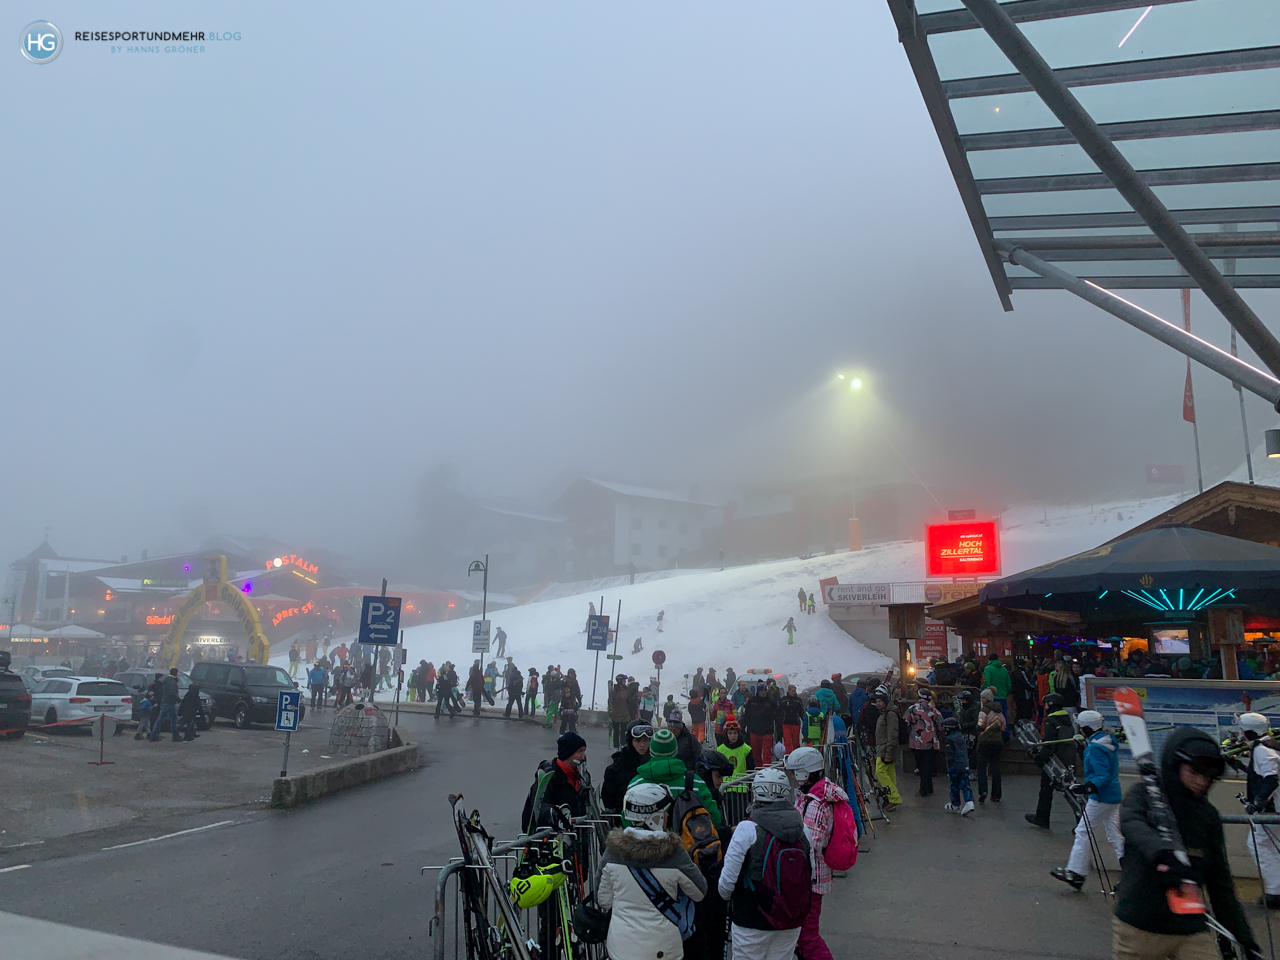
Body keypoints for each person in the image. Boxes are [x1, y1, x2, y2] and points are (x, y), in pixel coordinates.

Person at [1113, 727, 1259, 960]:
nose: (1202, 782)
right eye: (1194, 773)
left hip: (1190, 928)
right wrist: (1162, 853)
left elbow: (1220, 883)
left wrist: (1244, 938)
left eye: (1209, 777)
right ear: (1176, 764)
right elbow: (1131, 823)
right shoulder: (1144, 795)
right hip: (1139, 927)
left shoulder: (1207, 816)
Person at [597, 782, 707, 960]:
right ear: (654, 818)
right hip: (663, 948)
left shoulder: (613, 852)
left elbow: (603, 899)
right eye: (664, 813)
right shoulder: (674, 853)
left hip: (621, 947)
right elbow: (699, 892)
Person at [717, 769, 811, 960]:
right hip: (790, 918)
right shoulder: (802, 828)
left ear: (754, 793)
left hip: (751, 918)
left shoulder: (747, 828)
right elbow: (810, 874)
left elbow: (726, 884)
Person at [787, 746, 849, 960]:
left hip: (810, 878)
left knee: (807, 936)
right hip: (816, 875)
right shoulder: (818, 796)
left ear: (805, 773)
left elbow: (809, 842)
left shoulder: (816, 803)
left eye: (795, 773)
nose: (793, 778)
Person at [1051, 710, 1123, 890]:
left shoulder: (1096, 747)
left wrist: (1085, 788)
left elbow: (1101, 775)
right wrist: (1082, 748)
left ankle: (1075, 872)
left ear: (1087, 728)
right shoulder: (1104, 742)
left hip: (1101, 797)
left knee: (1083, 831)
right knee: (1115, 836)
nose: (1080, 730)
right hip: (1111, 795)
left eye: (1081, 727)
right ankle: (1132, 872)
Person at [628, 728, 722, 828]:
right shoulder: (695, 782)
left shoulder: (636, 783)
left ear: (651, 751)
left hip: (647, 842)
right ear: (675, 751)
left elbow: (627, 820)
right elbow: (714, 818)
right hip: (687, 842)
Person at [1237, 712, 1280, 907]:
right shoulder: (1270, 745)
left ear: (1249, 731)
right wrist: (1239, 766)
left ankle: (1275, 892)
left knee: (1258, 845)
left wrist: (1258, 804)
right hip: (1274, 809)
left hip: (1271, 811)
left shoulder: (1263, 750)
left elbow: (1271, 779)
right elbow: (1261, 774)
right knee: (1271, 847)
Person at [1026, 692, 1076, 829]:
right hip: (1067, 757)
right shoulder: (1066, 718)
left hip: (1054, 761)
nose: (1045, 706)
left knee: (1046, 790)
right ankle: (1081, 820)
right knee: (1070, 791)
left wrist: (1040, 760)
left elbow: (1049, 743)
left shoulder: (1051, 720)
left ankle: (1042, 818)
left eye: (1047, 703)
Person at [524, 732, 593, 831]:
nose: (583, 755)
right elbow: (539, 807)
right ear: (568, 753)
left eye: (584, 751)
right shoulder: (549, 776)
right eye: (580, 751)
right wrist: (555, 815)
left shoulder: (582, 776)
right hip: (553, 838)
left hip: (578, 835)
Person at [603, 722, 654, 813]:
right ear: (630, 742)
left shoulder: (654, 764)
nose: (642, 745)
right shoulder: (616, 769)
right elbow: (608, 801)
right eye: (638, 741)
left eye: (646, 740)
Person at [904, 688, 942, 796]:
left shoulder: (912, 709)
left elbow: (905, 721)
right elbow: (941, 725)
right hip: (931, 741)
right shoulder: (934, 710)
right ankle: (928, 786)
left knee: (920, 764)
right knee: (928, 765)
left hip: (916, 741)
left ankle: (924, 788)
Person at [872, 692, 902, 808]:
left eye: (880, 701)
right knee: (890, 774)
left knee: (880, 772)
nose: (878, 704)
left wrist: (889, 750)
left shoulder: (890, 714)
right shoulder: (884, 713)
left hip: (885, 749)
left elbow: (892, 733)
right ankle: (891, 798)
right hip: (882, 748)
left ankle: (894, 797)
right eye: (877, 702)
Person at [976, 689, 1005, 803]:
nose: (982, 700)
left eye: (983, 698)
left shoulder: (984, 711)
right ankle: (996, 795)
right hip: (997, 742)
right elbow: (1003, 727)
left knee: (982, 768)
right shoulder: (1000, 712)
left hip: (985, 742)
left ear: (987, 699)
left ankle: (983, 791)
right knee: (996, 769)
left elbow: (980, 725)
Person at [941, 716, 974, 815]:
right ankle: (969, 802)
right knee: (965, 784)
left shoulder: (949, 740)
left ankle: (955, 805)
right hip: (964, 764)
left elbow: (950, 755)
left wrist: (949, 768)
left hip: (954, 766)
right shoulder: (960, 737)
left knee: (954, 785)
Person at [743, 682, 776, 768]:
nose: (763, 692)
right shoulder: (752, 701)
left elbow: (777, 716)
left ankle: (766, 771)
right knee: (755, 754)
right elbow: (746, 715)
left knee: (767, 754)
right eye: (761, 690)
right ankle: (757, 771)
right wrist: (743, 727)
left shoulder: (771, 701)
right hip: (754, 731)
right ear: (758, 691)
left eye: (765, 690)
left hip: (767, 732)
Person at [149, 669, 181, 742]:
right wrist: (178, 699)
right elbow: (172, 693)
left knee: (160, 719)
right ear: (176, 674)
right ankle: (175, 736)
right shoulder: (172, 682)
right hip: (170, 703)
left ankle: (154, 735)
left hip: (164, 702)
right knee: (173, 720)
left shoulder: (166, 681)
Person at [982, 654, 1011, 726]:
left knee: (992, 718)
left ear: (989, 659)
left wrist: (982, 689)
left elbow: (986, 682)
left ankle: (995, 735)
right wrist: (1007, 693)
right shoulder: (1004, 670)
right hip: (1003, 697)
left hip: (992, 697)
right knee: (1003, 717)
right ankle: (1005, 733)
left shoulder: (988, 668)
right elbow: (1009, 684)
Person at [778, 685, 804, 754]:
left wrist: (803, 720)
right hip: (786, 723)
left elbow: (801, 711)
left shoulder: (798, 700)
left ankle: (796, 755)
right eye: (792, 691)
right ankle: (788, 756)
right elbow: (779, 710)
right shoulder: (784, 699)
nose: (793, 693)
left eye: (794, 691)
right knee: (787, 741)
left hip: (795, 723)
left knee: (796, 742)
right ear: (788, 691)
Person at [610, 675, 632, 746]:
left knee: (623, 732)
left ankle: (623, 745)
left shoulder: (626, 690)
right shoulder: (614, 691)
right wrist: (610, 712)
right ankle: (616, 746)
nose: (625, 682)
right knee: (616, 732)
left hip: (625, 714)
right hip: (616, 714)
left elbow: (629, 701)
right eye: (624, 681)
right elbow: (610, 702)